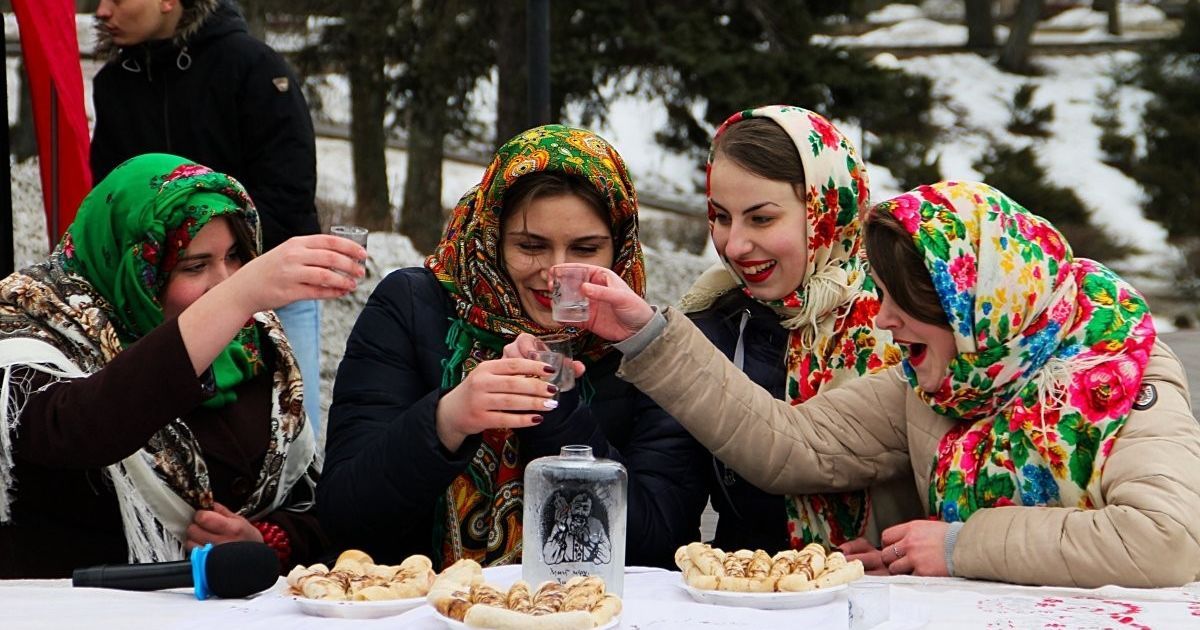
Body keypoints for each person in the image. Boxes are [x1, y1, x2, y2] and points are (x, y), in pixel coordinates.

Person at [559, 180, 1200, 588]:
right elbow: (791, 444)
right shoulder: (938, 385)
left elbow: (1166, 542)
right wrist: (648, 334)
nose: (885, 320)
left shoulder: (1123, 376)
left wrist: (957, 546)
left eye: (902, 303)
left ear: (973, 309)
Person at [317, 125, 709, 570]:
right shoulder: (411, 307)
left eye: (585, 248)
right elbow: (343, 515)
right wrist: (448, 419)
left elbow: (662, 543)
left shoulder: (645, 346)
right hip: (420, 607)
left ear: (620, 248)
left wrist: (557, 409)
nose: (555, 273)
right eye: (530, 245)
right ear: (492, 237)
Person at [0, 154, 364, 578]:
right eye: (195, 266)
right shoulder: (32, 332)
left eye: (235, 257)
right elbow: (82, 428)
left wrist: (265, 539)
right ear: (133, 267)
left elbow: (314, 510)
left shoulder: (253, 345)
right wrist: (238, 297)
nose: (224, 283)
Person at [679, 105, 917, 555]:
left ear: (824, 211)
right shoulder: (711, 318)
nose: (734, 244)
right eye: (721, 216)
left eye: (761, 218)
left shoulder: (903, 324)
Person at [91, 0, 325, 435]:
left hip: (272, 290)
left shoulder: (253, 67)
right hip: (157, 301)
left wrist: (234, 270)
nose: (102, 11)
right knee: (172, 441)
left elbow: (289, 193)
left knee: (291, 435)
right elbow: (110, 201)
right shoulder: (113, 84)